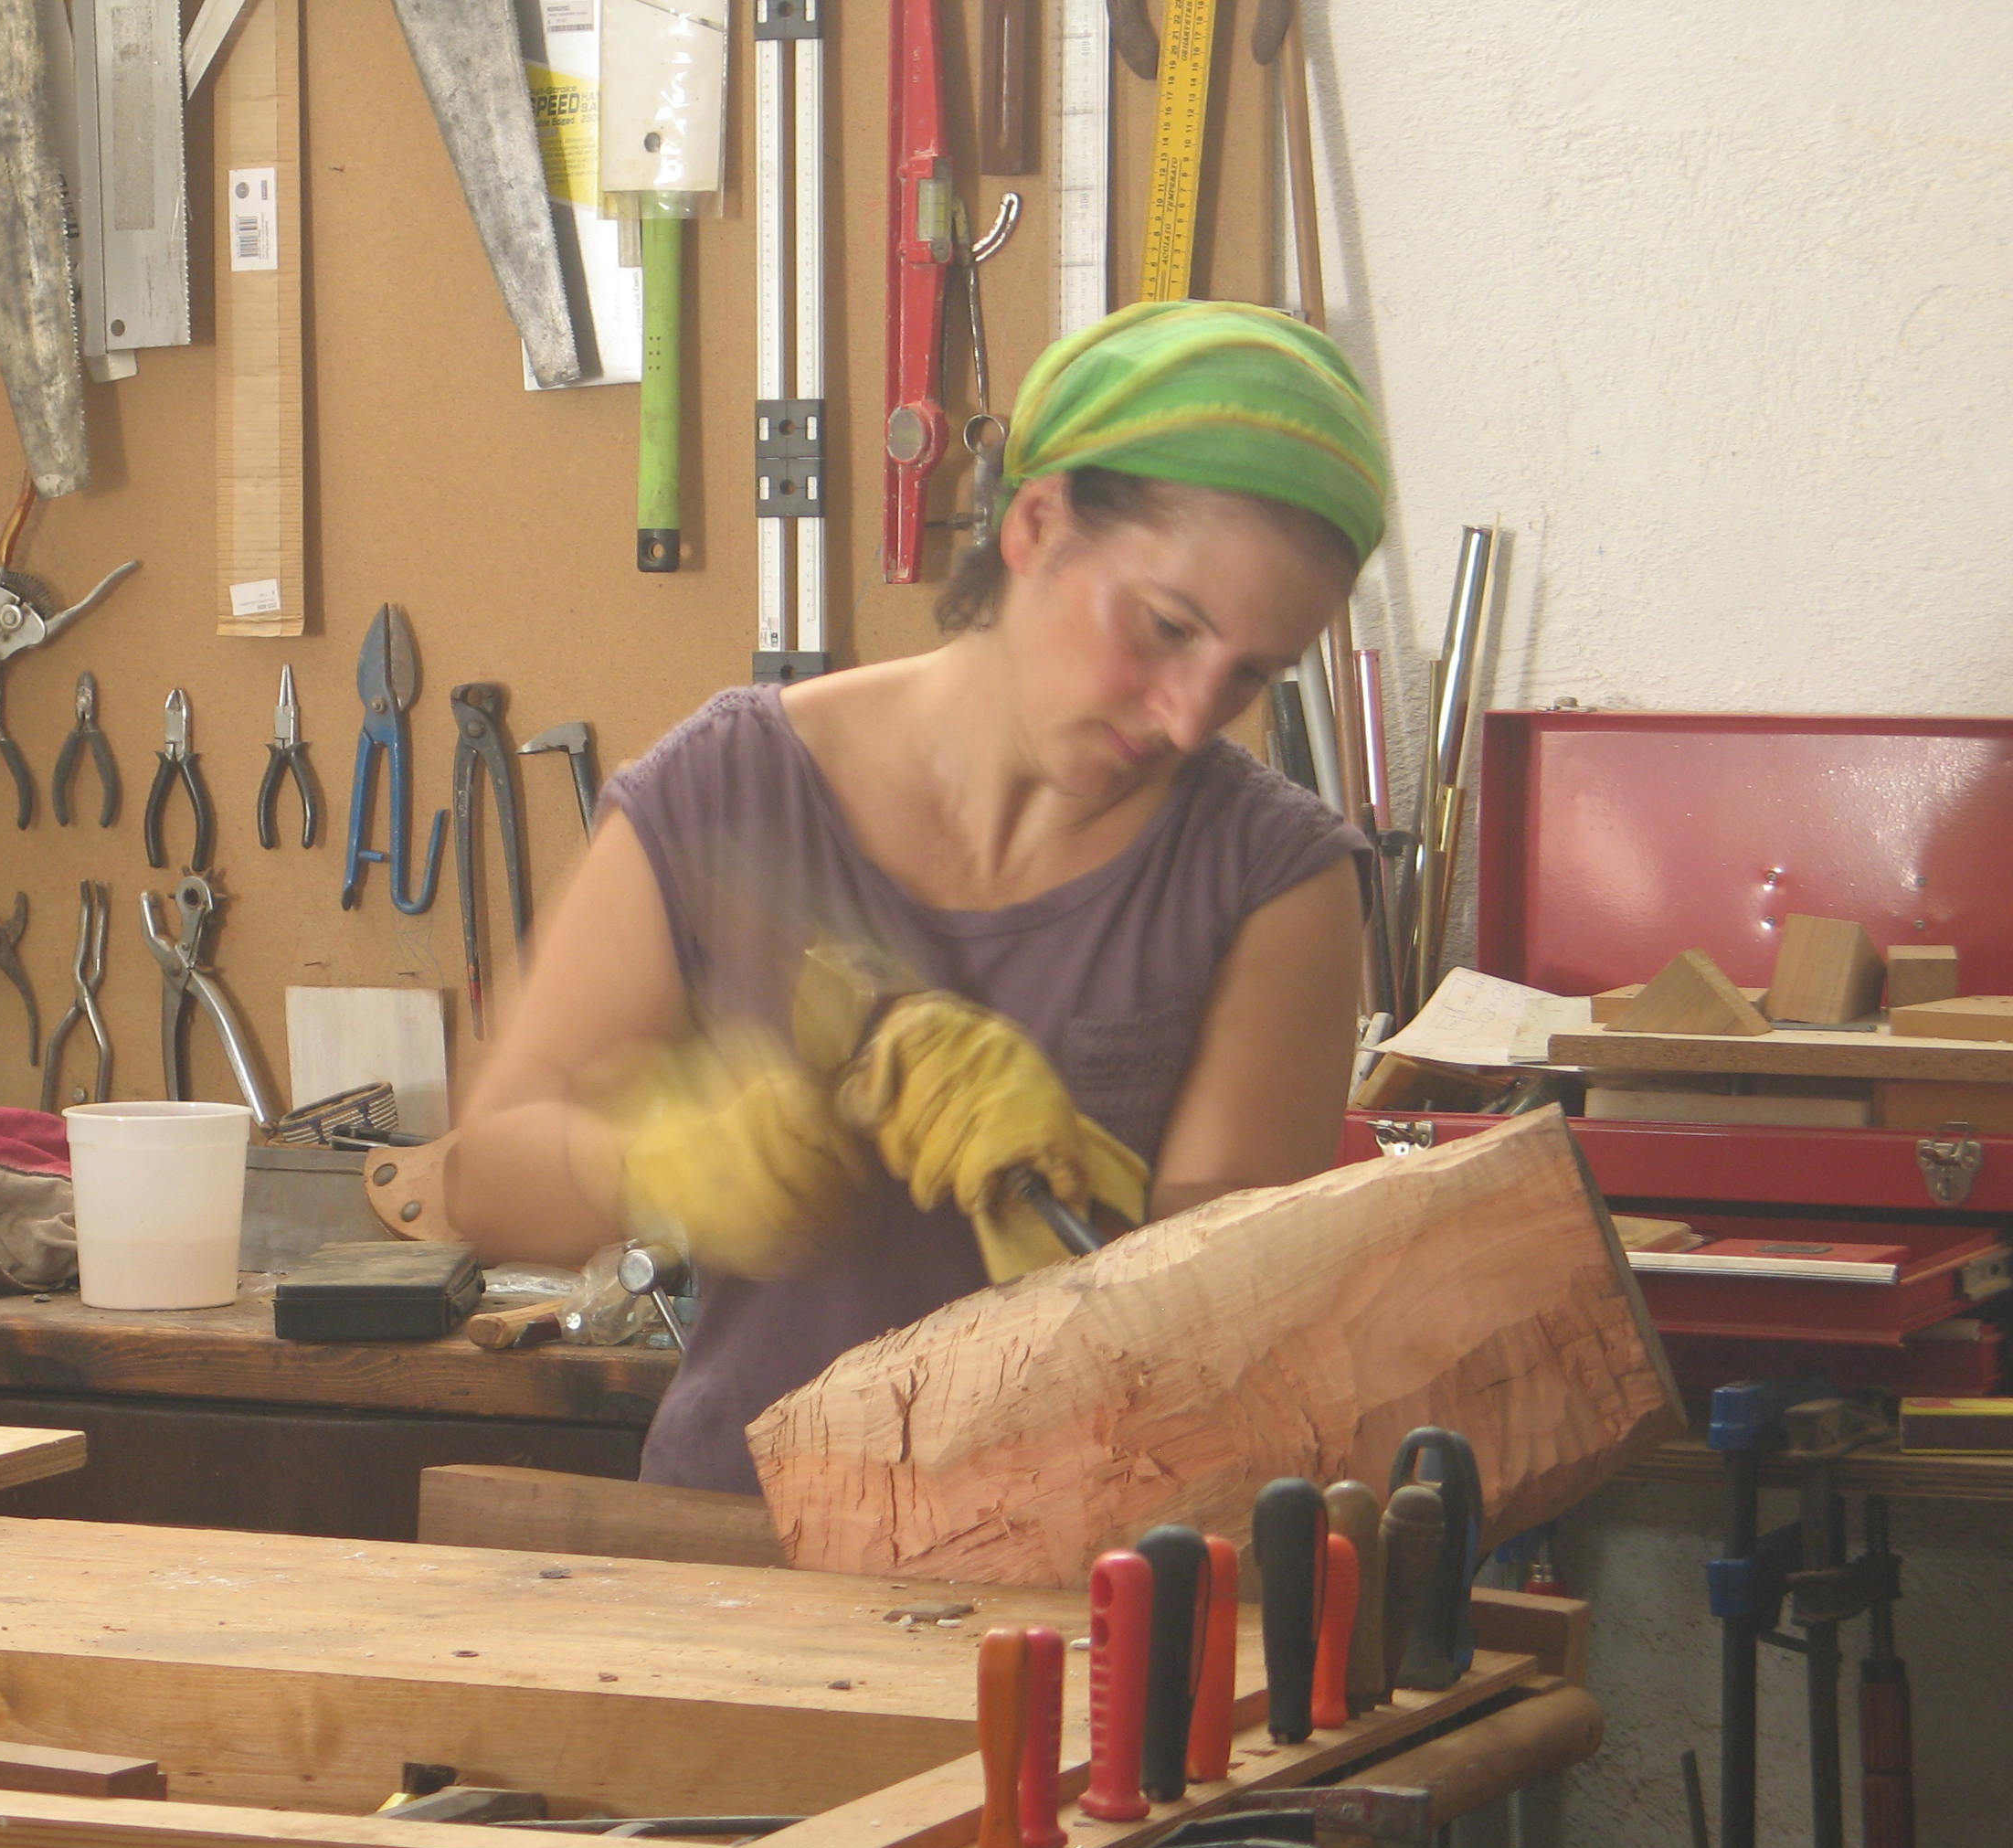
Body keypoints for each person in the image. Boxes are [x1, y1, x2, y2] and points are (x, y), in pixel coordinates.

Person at [450, 300, 1385, 1493]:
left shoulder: (1275, 882)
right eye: (1164, 628)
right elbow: (482, 1180)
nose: (1191, 715)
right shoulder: (730, 789)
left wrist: (1082, 1212)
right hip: (743, 1551)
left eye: (1249, 674)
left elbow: (1237, 1347)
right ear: (1038, 522)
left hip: (1087, 1581)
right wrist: (667, 1166)